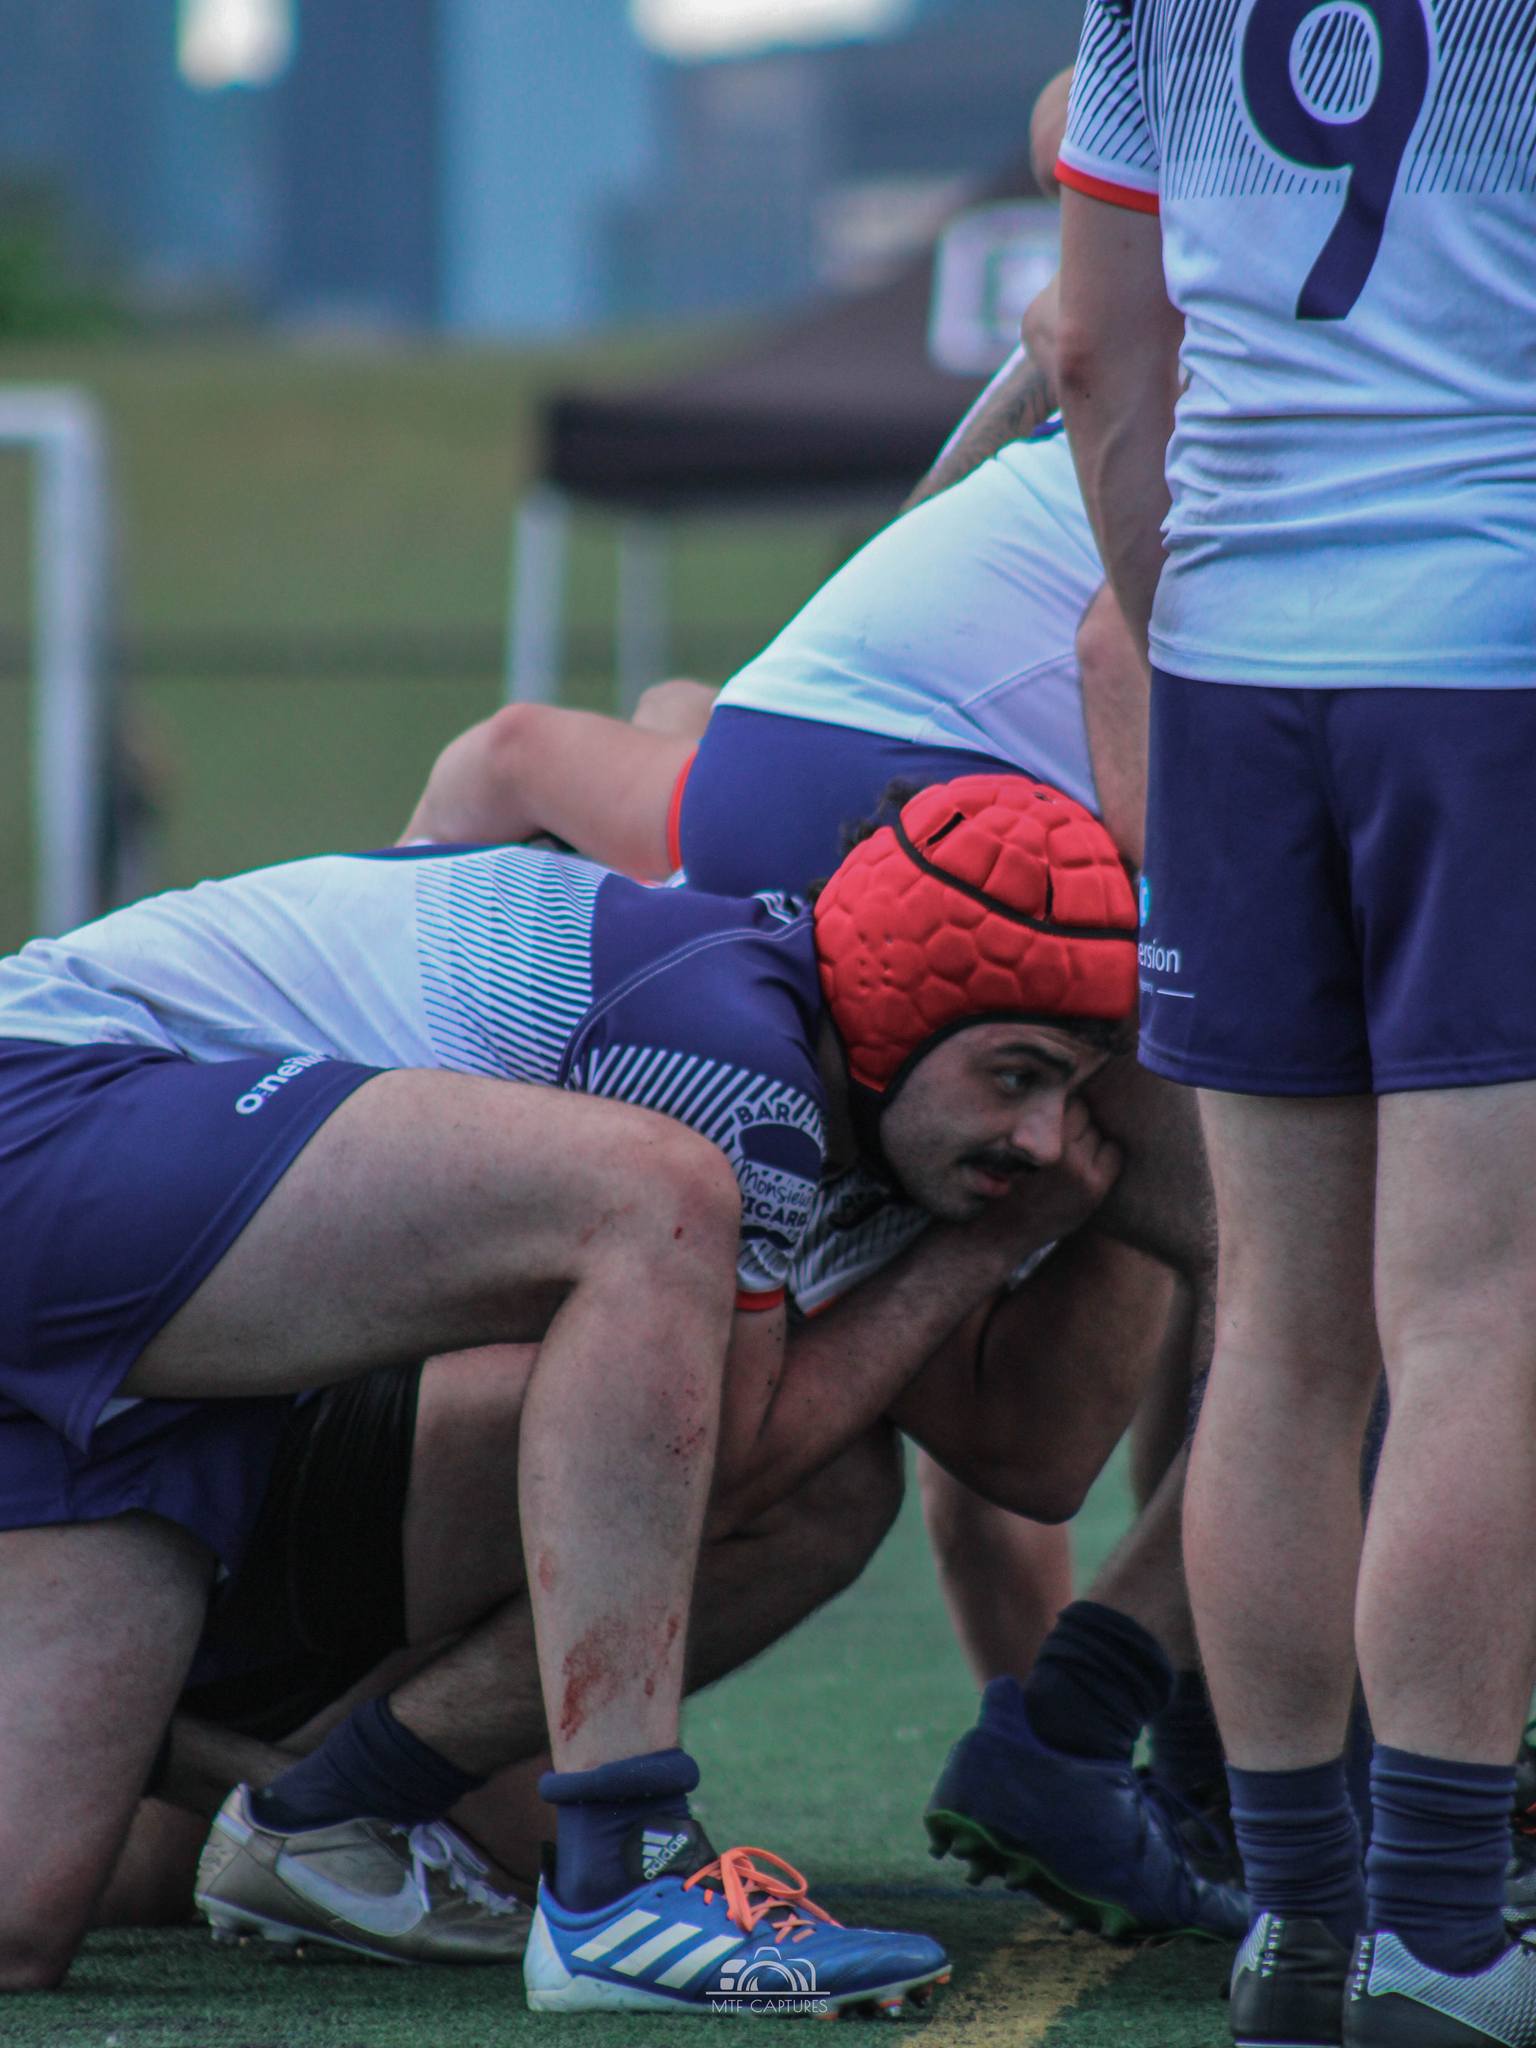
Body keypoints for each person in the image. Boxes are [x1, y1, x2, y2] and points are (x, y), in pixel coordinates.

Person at [0, 772, 1174, 2007]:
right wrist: (989, 1252)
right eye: (1017, 1075)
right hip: (48, 1100)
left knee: (31, 1916)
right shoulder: (737, 1059)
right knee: (657, 1201)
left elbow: (1032, 1461)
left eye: (1073, 1093)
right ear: (895, 1017)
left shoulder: (826, 1088)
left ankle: (314, 1799)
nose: (1046, 1138)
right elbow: (725, 1464)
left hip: (147, 1348)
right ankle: (621, 1866)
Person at [1054, 5, 1536, 2043]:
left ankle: (1302, 1921)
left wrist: (1200, 627)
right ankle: (1441, 1924)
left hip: (1239, 655)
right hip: (1490, 649)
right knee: (1478, 1319)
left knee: (1277, 1329)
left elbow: (1096, 353)